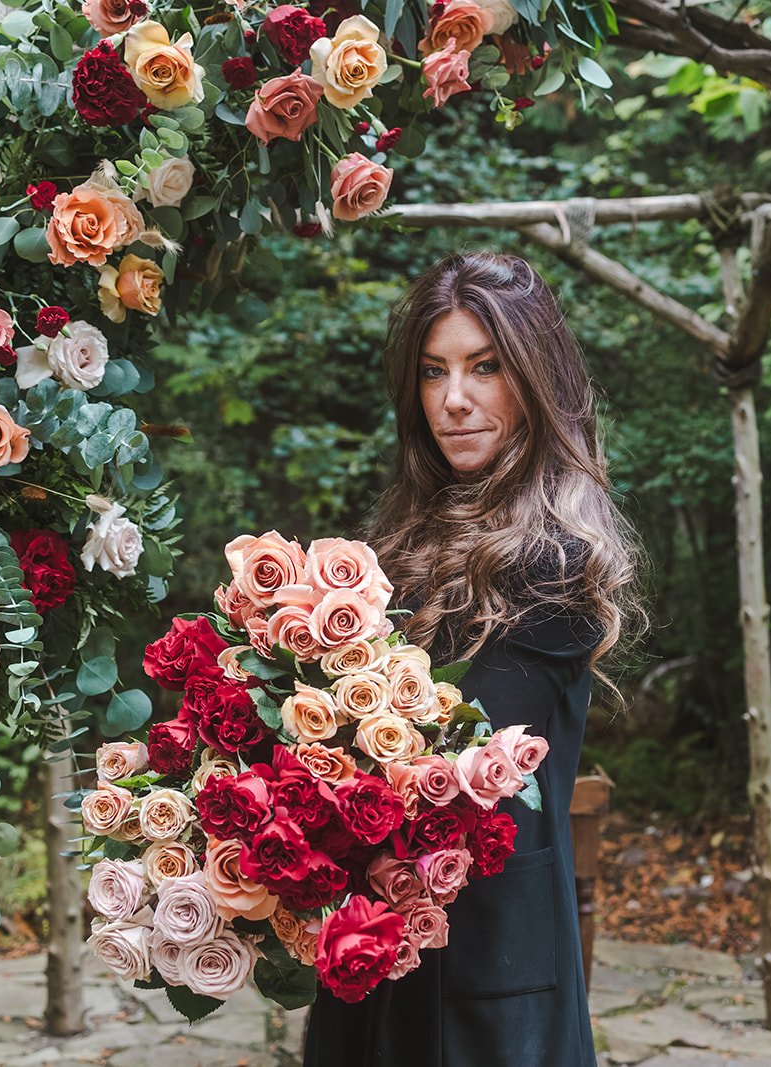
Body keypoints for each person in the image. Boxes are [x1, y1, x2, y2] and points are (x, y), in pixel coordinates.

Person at [302, 251, 643, 1066]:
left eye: (485, 367)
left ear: (536, 378)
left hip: (491, 965)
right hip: (383, 939)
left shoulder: (555, 558)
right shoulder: (402, 541)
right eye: (434, 371)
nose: (453, 400)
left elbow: (457, 765)